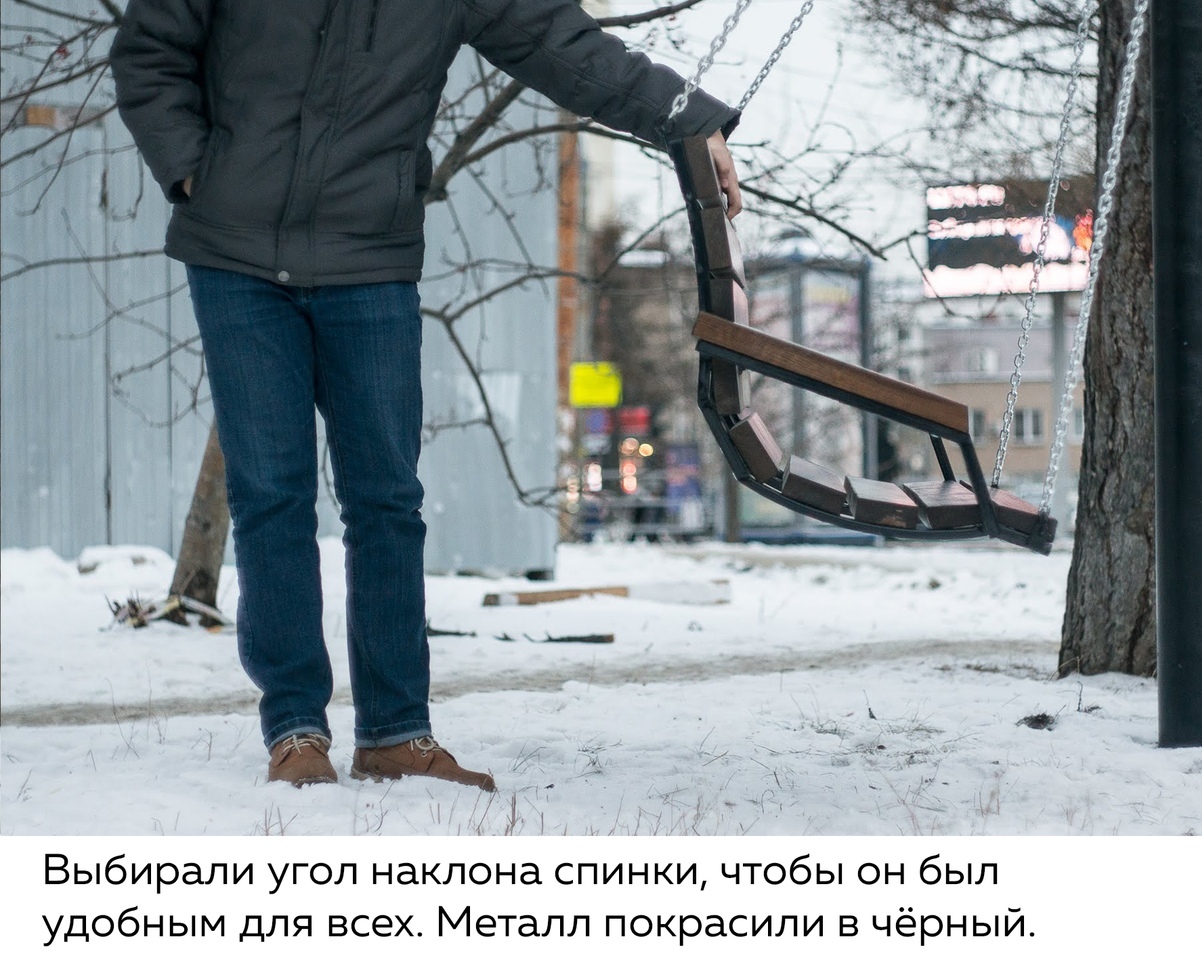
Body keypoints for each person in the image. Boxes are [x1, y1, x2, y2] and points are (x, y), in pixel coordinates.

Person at [109, 0, 741, 789]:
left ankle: (395, 733)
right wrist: (197, 169)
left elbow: (566, 46)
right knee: (270, 493)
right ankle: (295, 731)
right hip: (236, 255)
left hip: (369, 256)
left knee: (385, 500)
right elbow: (149, 52)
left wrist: (690, 122)